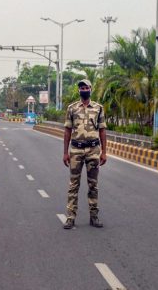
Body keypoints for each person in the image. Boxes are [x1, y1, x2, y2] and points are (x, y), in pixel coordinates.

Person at [62, 79, 108, 229]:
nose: (84, 89)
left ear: (91, 89)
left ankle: (94, 216)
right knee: (73, 185)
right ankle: (70, 217)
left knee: (93, 185)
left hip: (93, 151)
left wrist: (104, 152)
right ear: (79, 91)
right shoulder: (72, 108)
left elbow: (102, 130)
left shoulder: (99, 108)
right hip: (76, 150)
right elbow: (67, 130)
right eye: (81, 88)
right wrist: (65, 153)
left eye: (86, 87)